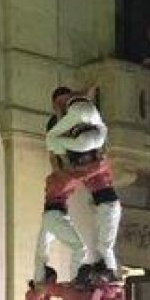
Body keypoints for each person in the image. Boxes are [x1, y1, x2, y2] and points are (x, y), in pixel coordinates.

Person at [34, 86, 122, 287]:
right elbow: (56, 153)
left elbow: (98, 141)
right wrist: (68, 168)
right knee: (85, 247)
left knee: (64, 248)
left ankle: (90, 276)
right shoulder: (59, 121)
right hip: (78, 161)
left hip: (82, 162)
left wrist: (78, 169)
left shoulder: (79, 115)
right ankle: (95, 276)